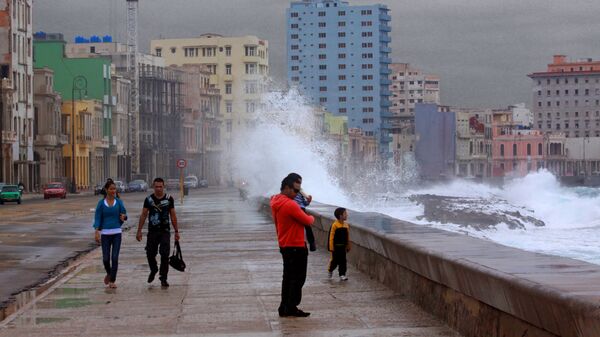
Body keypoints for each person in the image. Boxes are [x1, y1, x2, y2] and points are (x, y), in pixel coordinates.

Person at [271, 175, 315, 317]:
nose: (297, 193)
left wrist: (305, 203)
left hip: (285, 245)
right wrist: (311, 216)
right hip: (296, 246)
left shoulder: (276, 201)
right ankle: (291, 307)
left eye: (299, 190)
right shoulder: (290, 205)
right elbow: (307, 220)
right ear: (287, 188)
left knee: (288, 278)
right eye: (296, 190)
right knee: (298, 278)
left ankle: (284, 307)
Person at [136, 177, 180, 288]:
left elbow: (173, 215)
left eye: (160, 186)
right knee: (150, 254)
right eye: (156, 187)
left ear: (163, 187)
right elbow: (144, 215)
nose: (159, 189)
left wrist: (176, 231)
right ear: (153, 187)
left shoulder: (169, 199)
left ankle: (163, 278)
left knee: (165, 255)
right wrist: (139, 230)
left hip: (165, 231)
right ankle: (154, 269)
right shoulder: (149, 200)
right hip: (152, 232)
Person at [93, 180, 128, 289]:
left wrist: (124, 217)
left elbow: (124, 214)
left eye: (114, 189)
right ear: (106, 190)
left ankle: (112, 280)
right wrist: (97, 232)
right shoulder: (101, 203)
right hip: (105, 234)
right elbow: (98, 218)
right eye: (111, 189)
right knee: (106, 259)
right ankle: (109, 273)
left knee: (115, 258)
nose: (113, 191)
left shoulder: (119, 202)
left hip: (117, 233)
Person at [286, 173, 316, 251]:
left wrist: (308, 201)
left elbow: (304, 203)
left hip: (301, 209)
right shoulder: (288, 190)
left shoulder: (301, 192)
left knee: (307, 226)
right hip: (293, 209)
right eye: (298, 182)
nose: (299, 184)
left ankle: (312, 243)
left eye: (300, 183)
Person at [327, 207, 350, 281]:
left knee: (343, 261)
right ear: (340, 216)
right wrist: (331, 247)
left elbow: (347, 236)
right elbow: (331, 237)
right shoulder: (335, 225)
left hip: (343, 247)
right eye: (345, 214)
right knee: (335, 261)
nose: (347, 215)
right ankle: (330, 270)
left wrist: (348, 245)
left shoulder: (346, 225)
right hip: (336, 247)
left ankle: (342, 274)